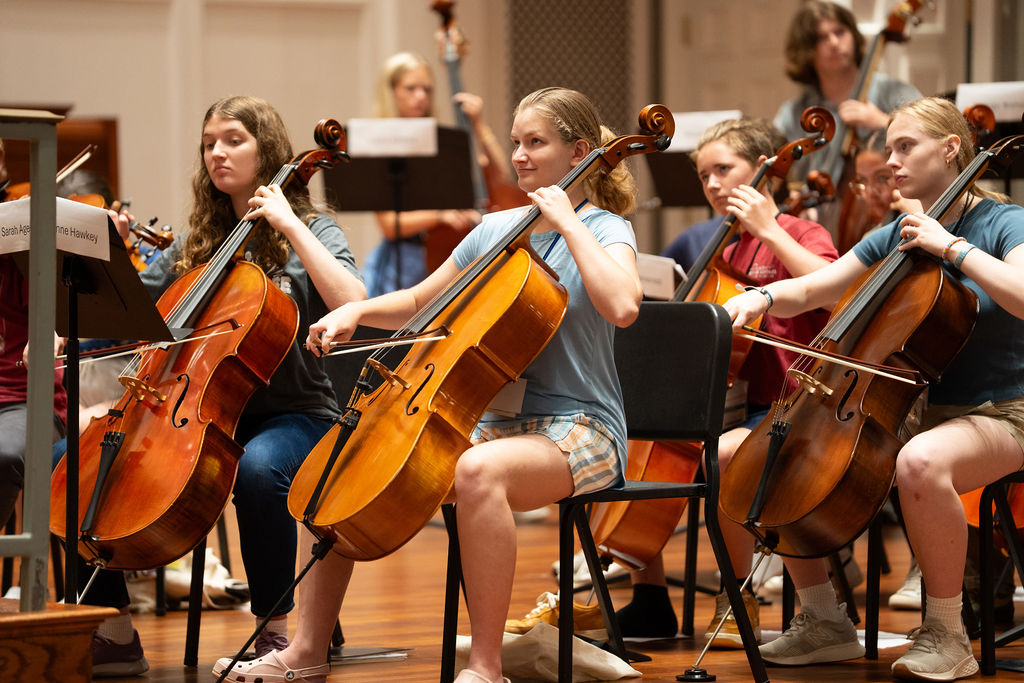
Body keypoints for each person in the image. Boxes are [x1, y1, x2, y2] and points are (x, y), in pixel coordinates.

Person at [214, 85, 641, 683]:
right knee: (339, 463)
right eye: (515, 142)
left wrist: (569, 224)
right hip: (491, 423)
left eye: (534, 143)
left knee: (477, 472)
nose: (518, 155)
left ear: (580, 153)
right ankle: (306, 650)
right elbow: (419, 300)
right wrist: (355, 313)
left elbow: (623, 306)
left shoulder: (605, 228)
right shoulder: (497, 228)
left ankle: (486, 667)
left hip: (581, 427)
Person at [54, 95, 366, 676]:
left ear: (267, 149)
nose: (217, 152)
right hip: (193, 415)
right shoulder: (196, 243)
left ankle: (280, 629)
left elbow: (353, 301)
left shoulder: (312, 229)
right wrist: (69, 332)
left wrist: (291, 223)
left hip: (292, 413)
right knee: (71, 466)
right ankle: (113, 629)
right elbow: (132, 316)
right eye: (208, 143)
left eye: (233, 139)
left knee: (258, 467)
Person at [723, 95, 1024, 681]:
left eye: (905, 147)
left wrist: (952, 247)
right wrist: (756, 299)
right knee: (752, 452)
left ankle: (946, 633)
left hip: (1006, 411)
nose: (891, 162)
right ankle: (823, 621)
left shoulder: (1003, 223)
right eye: (889, 149)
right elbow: (819, 290)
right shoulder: (899, 231)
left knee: (921, 462)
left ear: (952, 148)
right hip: (912, 409)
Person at [606, 118, 838, 645]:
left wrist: (771, 228)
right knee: (634, 437)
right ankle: (649, 597)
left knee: (723, 457)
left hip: (797, 404)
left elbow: (833, 296)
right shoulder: (722, 249)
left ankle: (739, 598)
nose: (712, 184)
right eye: (704, 174)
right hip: (741, 405)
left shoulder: (803, 232)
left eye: (724, 170)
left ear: (764, 169)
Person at [363, 52, 512, 296]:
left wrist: (478, 125)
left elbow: (499, 174)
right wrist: (440, 215)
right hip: (402, 267)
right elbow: (389, 225)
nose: (421, 96)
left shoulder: (440, 142)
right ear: (391, 92)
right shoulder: (381, 146)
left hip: (445, 257)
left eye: (427, 89)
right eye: (410, 88)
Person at [774, 0, 921, 234]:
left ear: (852, 34)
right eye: (821, 38)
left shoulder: (895, 93)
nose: (834, 43)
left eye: (840, 32)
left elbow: (932, 140)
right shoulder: (796, 111)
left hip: (891, 220)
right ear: (806, 50)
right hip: (819, 226)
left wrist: (883, 122)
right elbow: (772, 164)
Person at [0, 137, 68, 536]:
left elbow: (55, 310)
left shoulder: (23, 231)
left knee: (5, 452)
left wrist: (49, 328)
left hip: (27, 402)